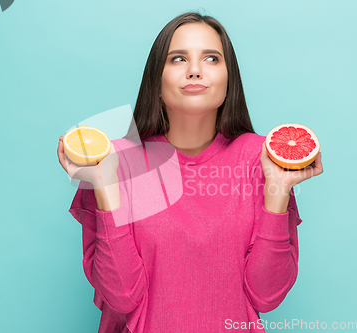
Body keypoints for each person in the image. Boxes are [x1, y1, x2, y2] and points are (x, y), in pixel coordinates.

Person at [57, 11, 323, 333]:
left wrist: (278, 189)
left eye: (211, 58)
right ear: (156, 80)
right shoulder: (113, 161)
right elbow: (122, 296)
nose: (195, 71)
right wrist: (105, 184)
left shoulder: (261, 159)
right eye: (178, 59)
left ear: (229, 79)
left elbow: (266, 296)